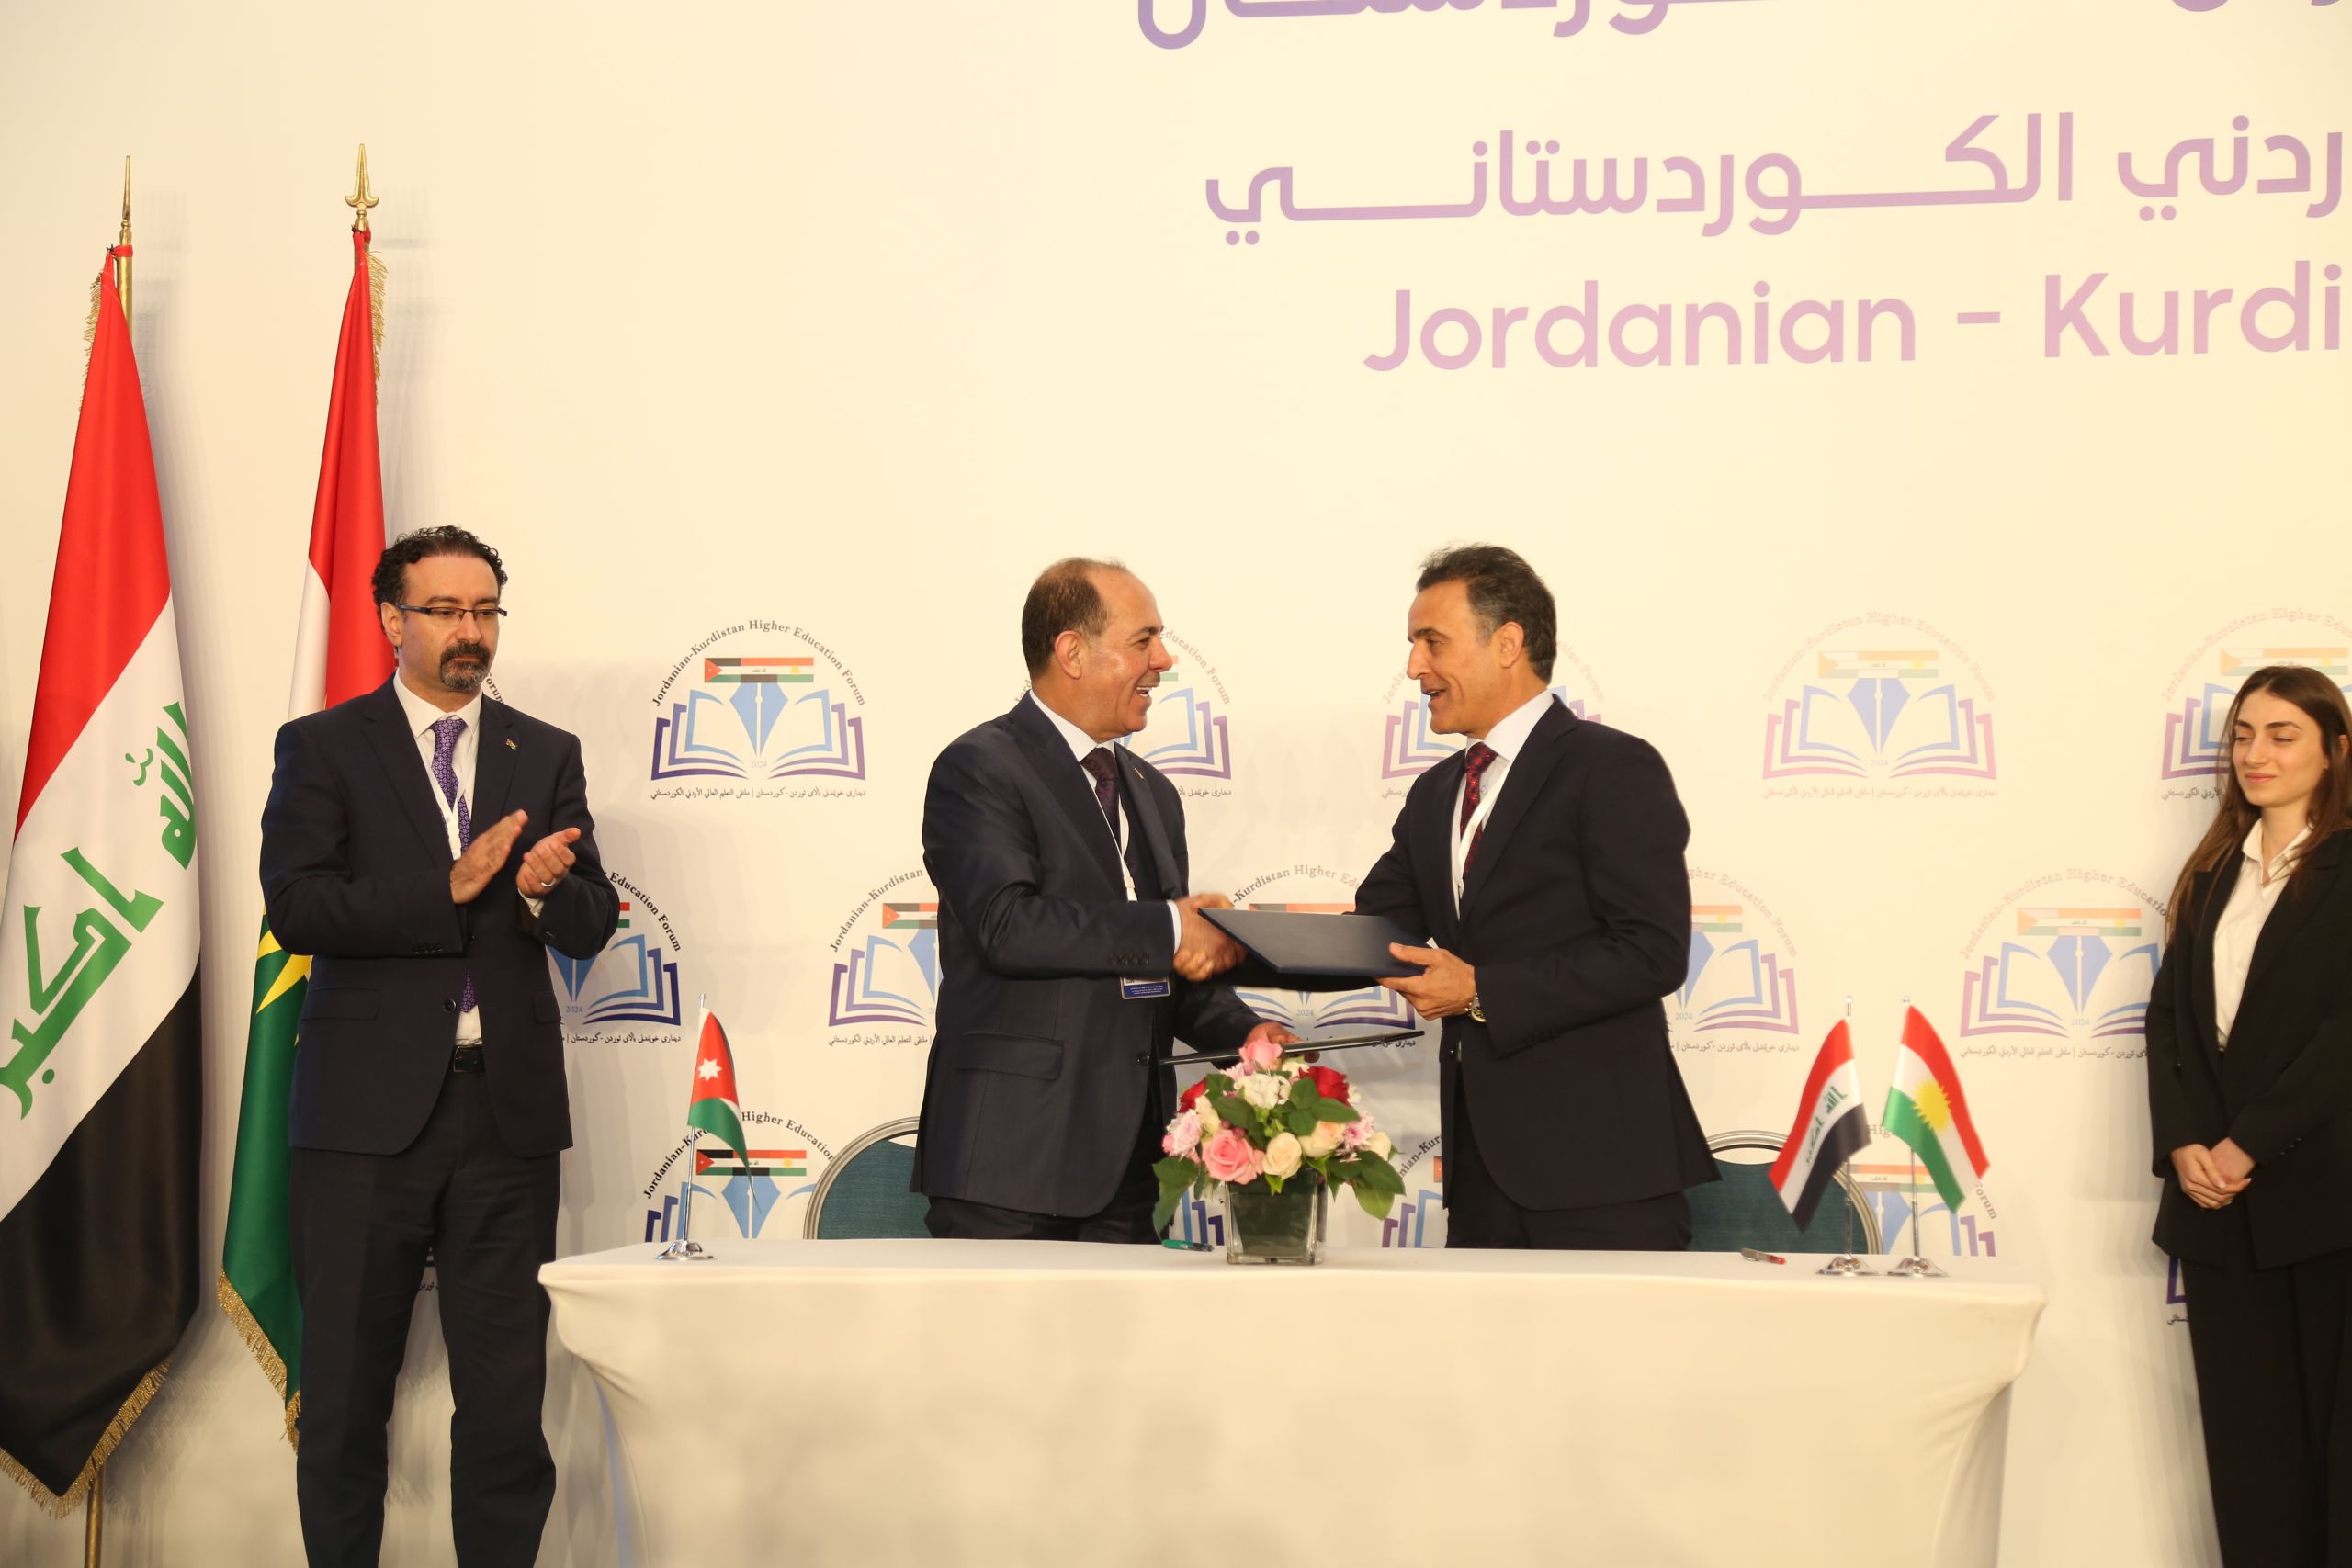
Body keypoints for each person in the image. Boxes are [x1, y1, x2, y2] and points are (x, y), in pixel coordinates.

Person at [260, 526, 618, 1568]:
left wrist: (547, 891)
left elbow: (591, 922)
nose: (472, 632)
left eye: (486, 611)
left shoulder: (543, 751)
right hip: (362, 1121)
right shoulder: (324, 745)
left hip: (503, 1116)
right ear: (392, 620)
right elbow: (298, 907)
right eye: (448, 611)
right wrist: (447, 888)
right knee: (343, 1398)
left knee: (505, 1406)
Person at [912, 558, 1292, 1241]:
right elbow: (1008, 926)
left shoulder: (1153, 792)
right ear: (1072, 652)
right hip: (1011, 1164)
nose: (1164, 660)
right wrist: (1173, 927)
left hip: (1132, 1169)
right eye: (1144, 640)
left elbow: (1165, 965)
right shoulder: (980, 767)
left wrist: (1242, 1034)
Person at [1351, 544, 1714, 1248]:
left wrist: (1480, 990)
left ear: (1507, 643)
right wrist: (1214, 940)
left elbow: (1652, 951)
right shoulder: (1435, 793)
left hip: (1604, 1172)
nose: (1414, 667)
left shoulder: (1612, 768)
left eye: (1432, 641)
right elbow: (1373, 929)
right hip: (1480, 1178)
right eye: (1413, 644)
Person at [2145, 664, 2352, 1566]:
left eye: (2281, 734)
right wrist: (2185, 1142)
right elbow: (2170, 1022)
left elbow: (2343, 1038)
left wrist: (2247, 1144)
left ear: (2333, 750)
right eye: (2242, 735)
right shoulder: (2210, 873)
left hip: (2326, 1201)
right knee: (2248, 1457)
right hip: (2218, 1209)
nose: (2254, 754)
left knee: (2337, 1456)